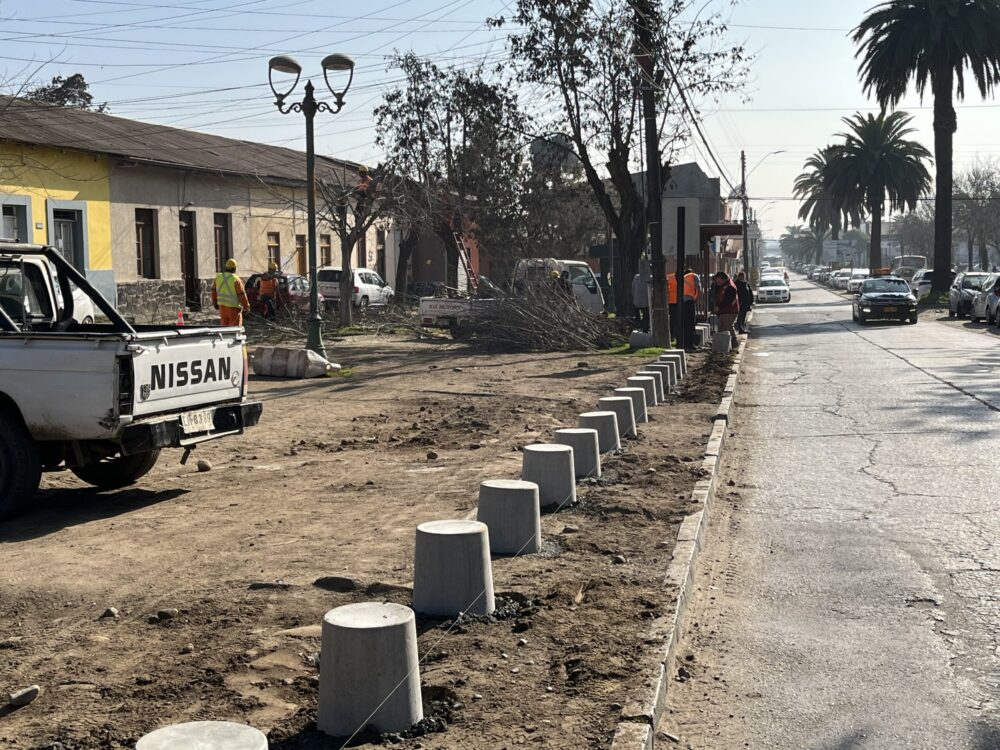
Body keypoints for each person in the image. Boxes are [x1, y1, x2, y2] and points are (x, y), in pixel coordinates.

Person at [668, 267, 702, 349]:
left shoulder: (680, 278)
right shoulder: (694, 276)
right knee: (690, 324)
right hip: (689, 302)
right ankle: (690, 344)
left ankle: (682, 343)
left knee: (682, 323)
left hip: (678, 302)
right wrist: (697, 298)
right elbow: (699, 288)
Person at [212, 258, 250, 327]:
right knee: (235, 329)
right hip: (233, 308)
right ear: (234, 268)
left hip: (222, 307)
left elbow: (213, 291)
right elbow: (241, 295)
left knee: (224, 328)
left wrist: (215, 303)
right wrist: (246, 307)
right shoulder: (236, 279)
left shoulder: (218, 277)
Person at [712, 271, 740, 350]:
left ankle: (734, 343)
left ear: (723, 279)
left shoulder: (730, 287)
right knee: (721, 327)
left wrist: (718, 307)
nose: (717, 282)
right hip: (725, 310)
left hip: (730, 310)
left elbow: (728, 300)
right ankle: (724, 345)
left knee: (728, 326)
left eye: (718, 280)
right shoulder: (724, 285)